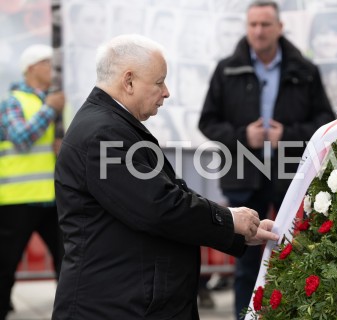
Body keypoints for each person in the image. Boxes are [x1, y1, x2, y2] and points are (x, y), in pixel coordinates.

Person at [52, 34, 278, 320]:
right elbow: (158, 207)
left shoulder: (112, 126)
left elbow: (166, 197)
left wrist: (236, 231)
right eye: (159, 82)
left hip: (128, 300)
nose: (167, 92)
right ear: (129, 81)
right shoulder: (103, 134)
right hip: (115, 306)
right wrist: (230, 221)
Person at [198, 1, 335, 319]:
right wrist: (244, 135)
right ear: (247, 28)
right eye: (253, 25)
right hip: (244, 176)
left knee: (300, 251)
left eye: (265, 25)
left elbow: (325, 120)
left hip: (292, 175)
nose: (258, 31)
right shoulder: (226, 69)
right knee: (245, 261)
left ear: (279, 27)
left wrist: (287, 134)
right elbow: (208, 122)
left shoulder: (304, 69)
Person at [0, 44, 65, 320]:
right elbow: (21, 138)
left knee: (69, 261)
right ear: (31, 67)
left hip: (53, 197)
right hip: (17, 198)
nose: (52, 69)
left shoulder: (59, 102)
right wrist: (49, 110)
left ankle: (72, 310)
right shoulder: (12, 101)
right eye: (47, 63)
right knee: (5, 264)